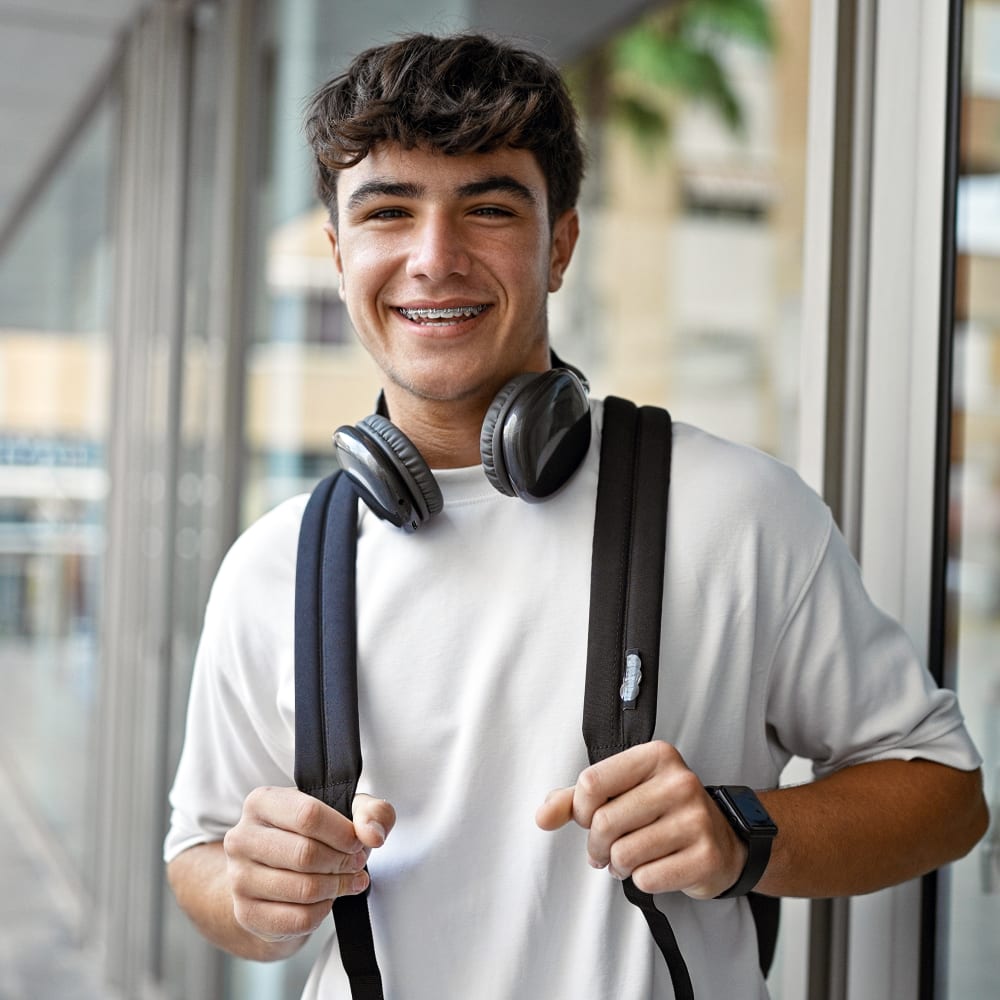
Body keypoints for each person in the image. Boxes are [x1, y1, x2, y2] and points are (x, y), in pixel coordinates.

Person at [164, 32, 988, 999]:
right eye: (389, 211)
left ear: (559, 245)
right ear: (339, 251)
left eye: (489, 207)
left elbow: (943, 792)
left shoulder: (738, 513)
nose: (435, 258)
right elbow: (200, 855)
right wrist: (253, 890)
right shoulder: (274, 564)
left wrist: (743, 833)